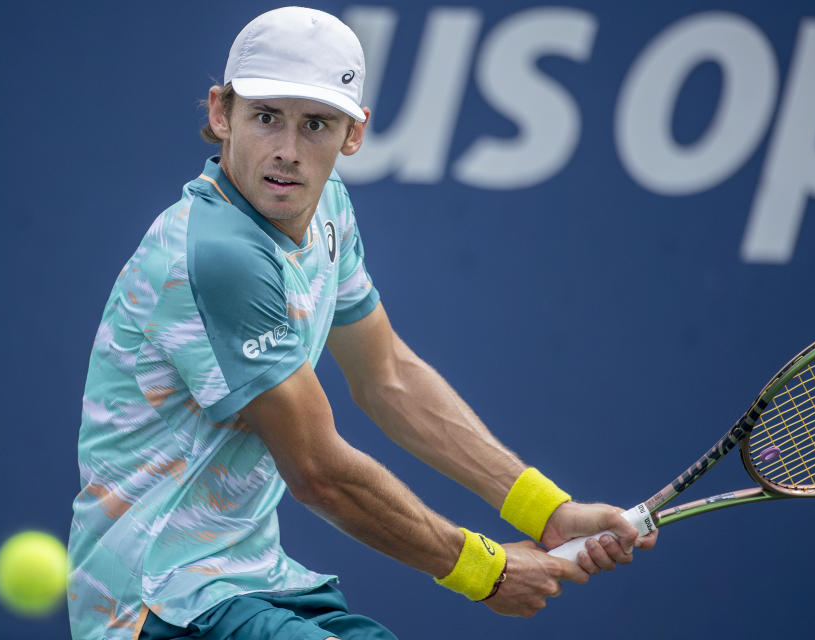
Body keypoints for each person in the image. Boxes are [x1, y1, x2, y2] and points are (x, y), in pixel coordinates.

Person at [67, 7, 657, 640]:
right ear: (221, 114)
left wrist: (547, 512)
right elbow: (319, 472)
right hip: (156, 603)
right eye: (267, 117)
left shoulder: (327, 210)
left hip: (250, 582)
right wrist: (483, 571)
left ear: (353, 134)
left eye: (315, 124)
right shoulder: (219, 254)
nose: (288, 152)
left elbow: (388, 378)